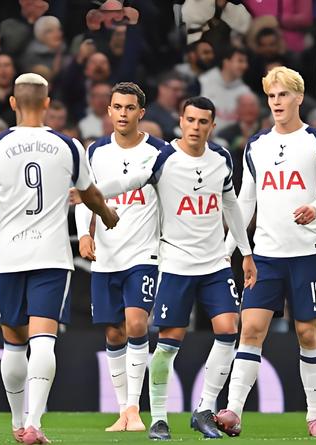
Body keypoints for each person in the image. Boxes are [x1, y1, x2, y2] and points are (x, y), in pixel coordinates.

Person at [0, 73, 118, 444]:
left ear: (12, 103)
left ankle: (18, 423)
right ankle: (34, 423)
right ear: (47, 103)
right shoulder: (68, 145)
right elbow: (89, 194)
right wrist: (108, 216)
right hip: (51, 256)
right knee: (44, 339)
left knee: (13, 342)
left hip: (9, 256)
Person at [88, 96, 255, 440]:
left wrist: (246, 252)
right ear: (181, 121)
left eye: (203, 122)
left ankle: (204, 408)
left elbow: (231, 205)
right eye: (190, 120)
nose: (196, 127)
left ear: (212, 126)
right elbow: (131, 181)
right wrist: (91, 193)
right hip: (176, 265)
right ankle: (159, 418)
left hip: (214, 265)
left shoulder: (222, 158)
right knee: (168, 343)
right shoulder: (164, 157)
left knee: (229, 329)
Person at [217, 66, 316, 437]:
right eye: (271, 96)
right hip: (266, 256)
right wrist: (228, 250)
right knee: (251, 329)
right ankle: (233, 411)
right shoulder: (257, 145)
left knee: (308, 333)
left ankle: (315, 416)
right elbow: (245, 201)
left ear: (298, 97)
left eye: (283, 94)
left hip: (306, 254)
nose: (276, 102)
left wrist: (315, 207)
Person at [75, 82, 165, 432]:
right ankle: (123, 411)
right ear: (109, 110)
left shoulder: (158, 151)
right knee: (114, 333)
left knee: (137, 323)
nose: (123, 114)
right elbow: (84, 196)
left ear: (141, 112)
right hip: (106, 256)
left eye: (130, 108)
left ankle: (134, 407)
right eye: (118, 107)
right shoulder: (96, 151)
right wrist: (85, 233)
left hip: (144, 252)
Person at [199, 46, 252, 133]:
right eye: (240, 61)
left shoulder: (245, 91)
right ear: (226, 62)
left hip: (232, 139)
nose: (245, 66)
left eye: (246, 62)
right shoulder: (203, 82)